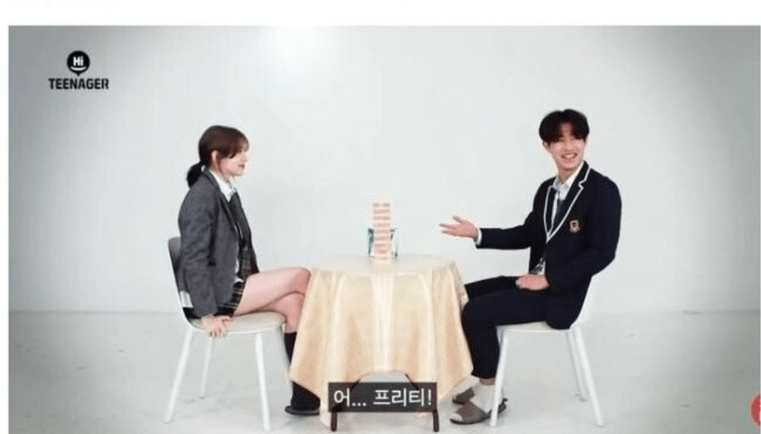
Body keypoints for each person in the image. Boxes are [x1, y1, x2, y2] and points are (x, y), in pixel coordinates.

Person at [440, 109, 621, 425]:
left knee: (476, 312)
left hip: (564, 293)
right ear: (546, 146)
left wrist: (549, 279)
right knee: (461, 296)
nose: (569, 147)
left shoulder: (602, 190)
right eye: (559, 140)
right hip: (536, 281)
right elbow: (528, 234)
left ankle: (490, 393)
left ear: (586, 141)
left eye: (576, 138)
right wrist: (478, 233)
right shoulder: (547, 190)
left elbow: (602, 253)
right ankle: (486, 377)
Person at [177, 125, 319, 415]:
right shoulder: (202, 198)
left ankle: (306, 399)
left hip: (234, 283)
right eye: (238, 153)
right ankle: (341, 342)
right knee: (301, 276)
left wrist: (258, 283)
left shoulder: (225, 190)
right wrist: (207, 314)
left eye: (245, 151)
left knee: (294, 303)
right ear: (216, 156)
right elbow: (193, 259)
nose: (245, 158)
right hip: (216, 297)